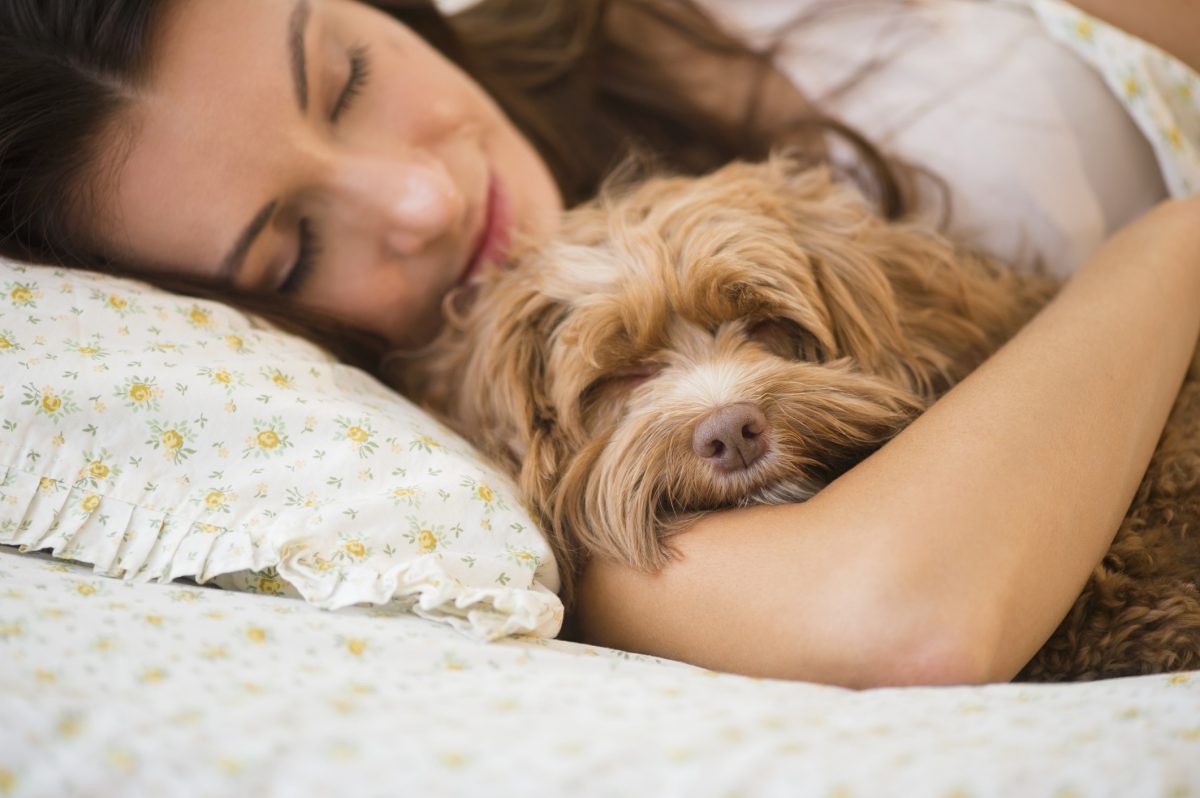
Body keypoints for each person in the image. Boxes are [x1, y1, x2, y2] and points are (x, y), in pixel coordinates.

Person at [1, 0, 1198, 688]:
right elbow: (910, 617)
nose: (421, 201)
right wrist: (1175, 245)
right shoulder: (492, 478)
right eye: (291, 252)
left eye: (348, 75)